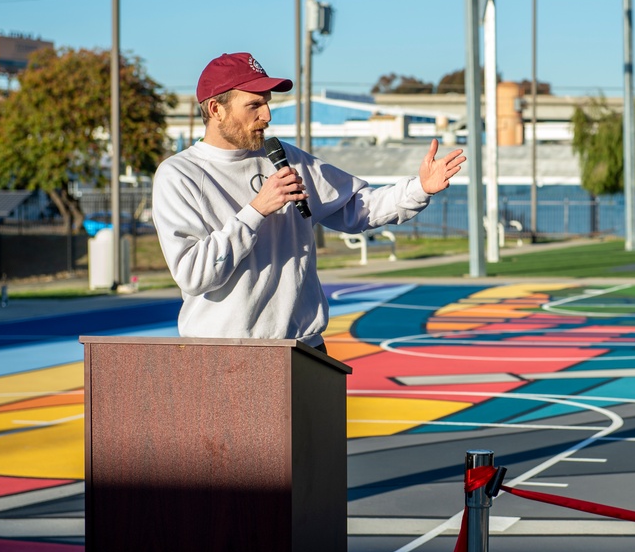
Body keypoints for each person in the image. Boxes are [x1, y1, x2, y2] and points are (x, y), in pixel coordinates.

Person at [152, 52, 465, 349]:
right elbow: (193, 275)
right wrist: (256, 211)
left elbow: (357, 208)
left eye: (268, 103)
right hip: (226, 354)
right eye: (254, 105)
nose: (267, 115)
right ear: (215, 110)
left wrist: (419, 188)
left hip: (305, 347)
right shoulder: (180, 174)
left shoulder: (284, 156)